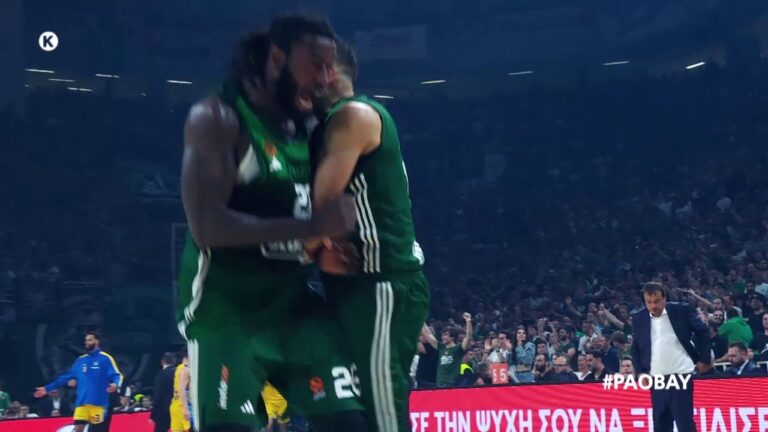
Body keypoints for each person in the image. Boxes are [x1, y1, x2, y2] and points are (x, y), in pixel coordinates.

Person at [176, 15, 364, 432]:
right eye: (317, 66)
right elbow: (207, 225)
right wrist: (311, 228)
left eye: (331, 68)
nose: (326, 78)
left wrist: (327, 247)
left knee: (352, 423)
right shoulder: (217, 117)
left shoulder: (312, 126)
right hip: (226, 314)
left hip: (294, 308)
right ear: (278, 58)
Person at [307, 40, 430, 431]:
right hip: (358, 285)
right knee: (357, 406)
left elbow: (321, 209)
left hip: (379, 284)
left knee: (383, 411)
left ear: (327, 72)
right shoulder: (327, 126)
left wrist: (288, 256)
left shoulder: (355, 115)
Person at [631, 282, 711, 432]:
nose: (653, 306)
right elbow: (635, 348)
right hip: (656, 378)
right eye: (649, 302)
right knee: (661, 424)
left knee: (684, 423)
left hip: (680, 375)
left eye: (657, 301)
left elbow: (703, 332)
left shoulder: (681, 310)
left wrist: (704, 359)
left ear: (664, 298)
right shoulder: (639, 318)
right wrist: (640, 372)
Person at [34, 332, 123, 432]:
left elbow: (117, 375)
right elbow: (65, 378)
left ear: (97, 341)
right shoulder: (81, 360)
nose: (86, 342)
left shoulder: (105, 358)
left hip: (98, 404)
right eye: (86, 340)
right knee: (78, 428)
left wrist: (115, 384)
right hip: (82, 403)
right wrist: (46, 389)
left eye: (89, 340)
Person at [429, 315, 473, 388]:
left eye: (445, 335)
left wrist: (468, 321)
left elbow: (468, 337)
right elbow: (428, 334)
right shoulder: (441, 347)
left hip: (453, 385)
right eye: (442, 335)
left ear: (452, 337)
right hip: (439, 385)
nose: (442, 337)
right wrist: (421, 320)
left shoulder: (458, 348)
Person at [151, 352, 177, 432]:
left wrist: (153, 415)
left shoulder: (160, 375)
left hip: (163, 411)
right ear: (174, 361)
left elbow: (157, 395)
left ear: (162, 361)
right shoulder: (179, 372)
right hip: (178, 409)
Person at [170, 350, 193, 432]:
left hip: (175, 404)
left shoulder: (178, 369)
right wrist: (186, 409)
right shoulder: (186, 370)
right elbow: (182, 389)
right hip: (184, 406)